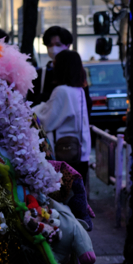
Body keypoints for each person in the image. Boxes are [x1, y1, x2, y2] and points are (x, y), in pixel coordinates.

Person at [33, 49, 92, 189]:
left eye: (55, 64)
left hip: (64, 153)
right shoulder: (79, 90)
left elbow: (46, 121)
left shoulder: (61, 91)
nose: (53, 67)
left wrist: (37, 108)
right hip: (79, 152)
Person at [30, 25, 73, 105]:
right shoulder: (39, 74)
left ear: (68, 46)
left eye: (58, 45)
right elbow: (31, 104)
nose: (53, 49)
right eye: (50, 45)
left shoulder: (75, 72)